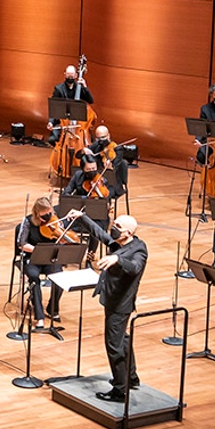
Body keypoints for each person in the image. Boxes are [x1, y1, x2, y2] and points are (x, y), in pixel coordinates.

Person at [93, 214, 148, 402]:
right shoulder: (119, 243)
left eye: (117, 225)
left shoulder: (139, 250)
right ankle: (131, 378)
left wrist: (117, 260)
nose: (112, 227)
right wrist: (81, 217)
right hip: (112, 299)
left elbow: (134, 268)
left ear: (128, 232)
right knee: (122, 339)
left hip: (120, 304)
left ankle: (119, 390)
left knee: (113, 345)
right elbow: (99, 233)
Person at [15, 197, 70, 333]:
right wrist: (37, 250)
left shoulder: (54, 220)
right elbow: (21, 243)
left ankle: (52, 309)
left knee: (60, 279)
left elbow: (62, 238)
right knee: (34, 279)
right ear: (37, 212)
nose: (48, 216)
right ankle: (39, 317)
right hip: (32, 258)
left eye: (49, 212)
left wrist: (61, 236)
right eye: (44, 213)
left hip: (50, 259)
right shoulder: (28, 221)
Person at [85, 125, 128, 198]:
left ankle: (106, 209)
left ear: (108, 136)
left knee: (103, 195)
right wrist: (85, 150)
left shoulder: (118, 149)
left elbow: (115, 167)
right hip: (96, 182)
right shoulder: (97, 145)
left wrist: (110, 166)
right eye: (98, 138)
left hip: (112, 184)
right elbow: (81, 156)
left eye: (103, 137)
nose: (101, 140)